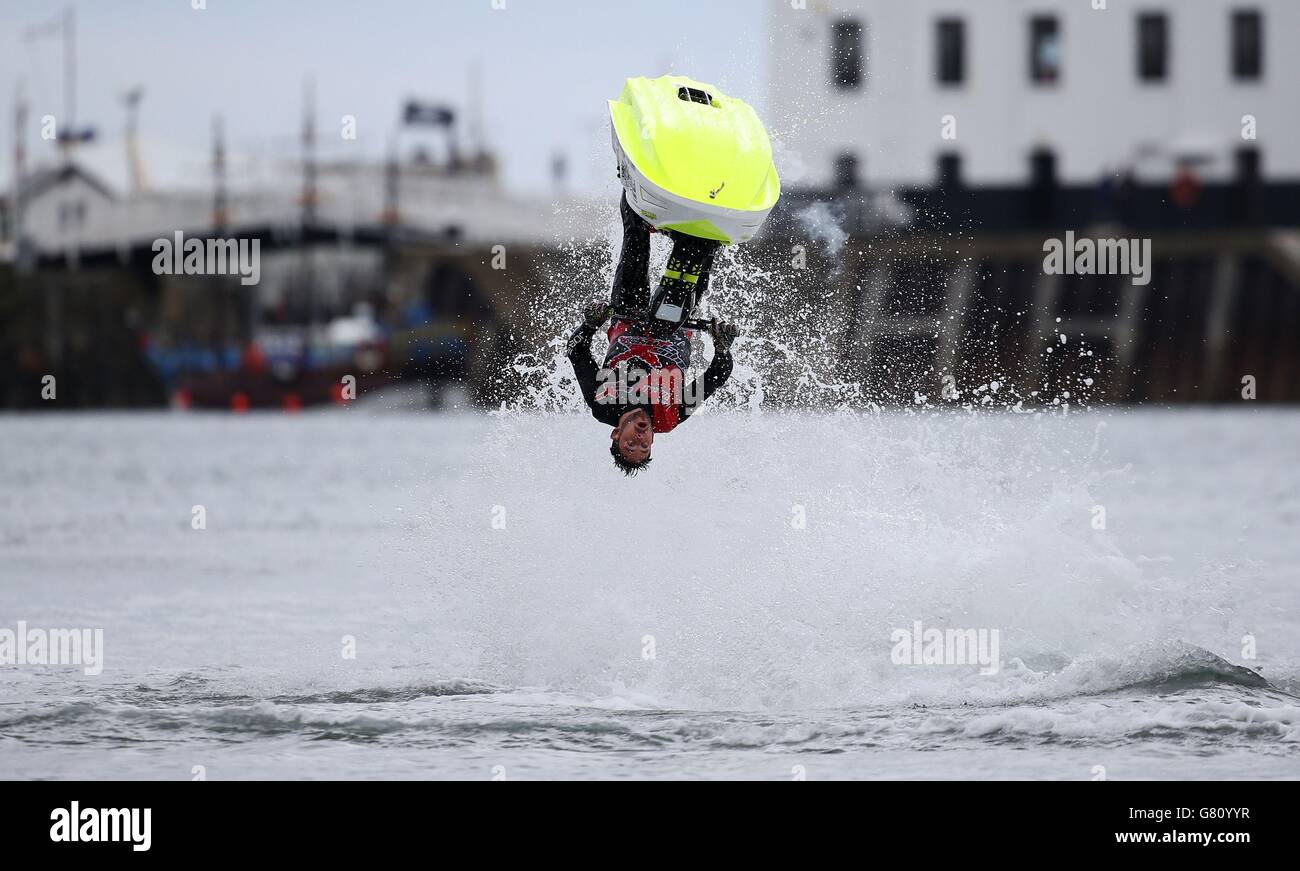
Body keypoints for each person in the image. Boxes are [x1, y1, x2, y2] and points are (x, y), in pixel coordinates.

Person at [567, 194, 738, 475]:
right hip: (677, 322)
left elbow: (576, 351)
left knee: (636, 236)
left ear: (615, 435)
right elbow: (717, 375)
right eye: (644, 447)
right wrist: (722, 345)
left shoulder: (603, 405)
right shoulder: (670, 417)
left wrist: (591, 324)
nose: (639, 440)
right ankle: (711, 209)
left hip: (628, 314)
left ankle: (638, 193)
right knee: (704, 249)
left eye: (629, 446)